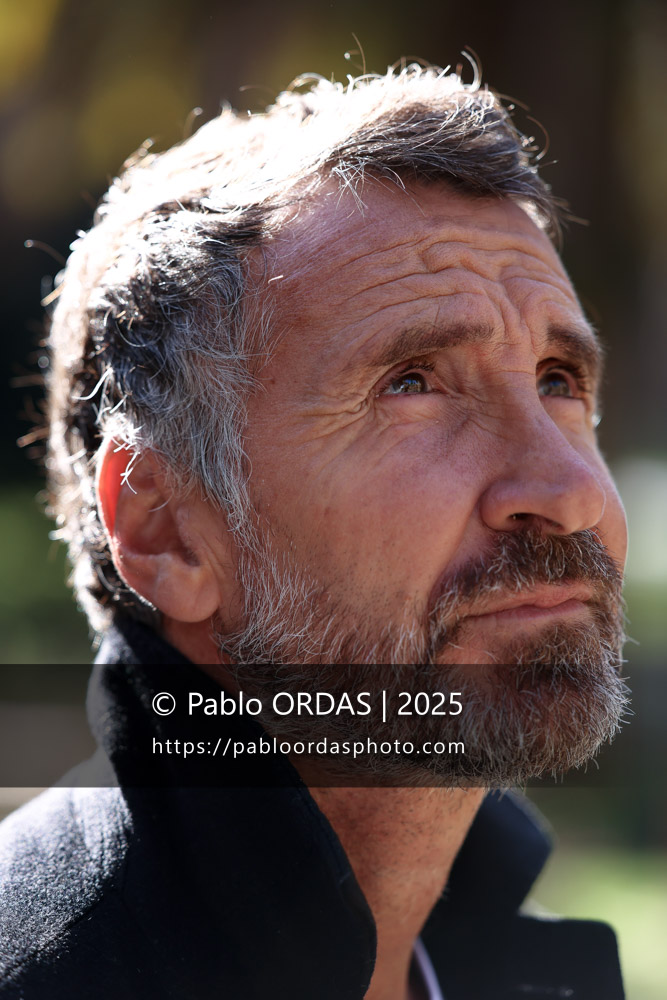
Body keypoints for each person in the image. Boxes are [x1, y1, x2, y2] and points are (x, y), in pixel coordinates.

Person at [0, 64, 629, 999]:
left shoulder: (522, 969)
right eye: (411, 383)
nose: (569, 491)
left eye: (556, 381)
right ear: (167, 528)